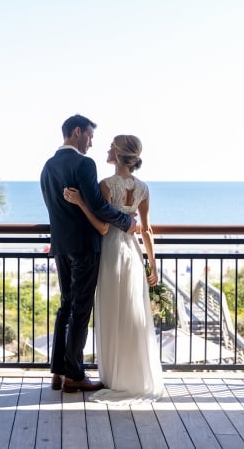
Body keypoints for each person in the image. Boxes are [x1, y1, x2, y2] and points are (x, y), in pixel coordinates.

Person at [63, 134, 164, 405]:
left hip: (109, 253)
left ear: (118, 155)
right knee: (131, 313)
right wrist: (152, 264)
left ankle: (114, 378)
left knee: (111, 312)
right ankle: (132, 377)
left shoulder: (106, 185)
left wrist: (82, 203)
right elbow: (147, 230)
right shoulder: (143, 188)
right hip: (133, 253)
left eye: (111, 147)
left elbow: (103, 226)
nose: (106, 150)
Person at [40, 114, 136, 393]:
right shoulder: (83, 163)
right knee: (80, 310)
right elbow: (97, 206)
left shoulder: (48, 166)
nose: (91, 144)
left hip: (61, 245)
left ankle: (58, 372)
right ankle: (74, 376)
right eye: (90, 137)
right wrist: (127, 222)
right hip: (84, 245)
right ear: (77, 132)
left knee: (66, 306)